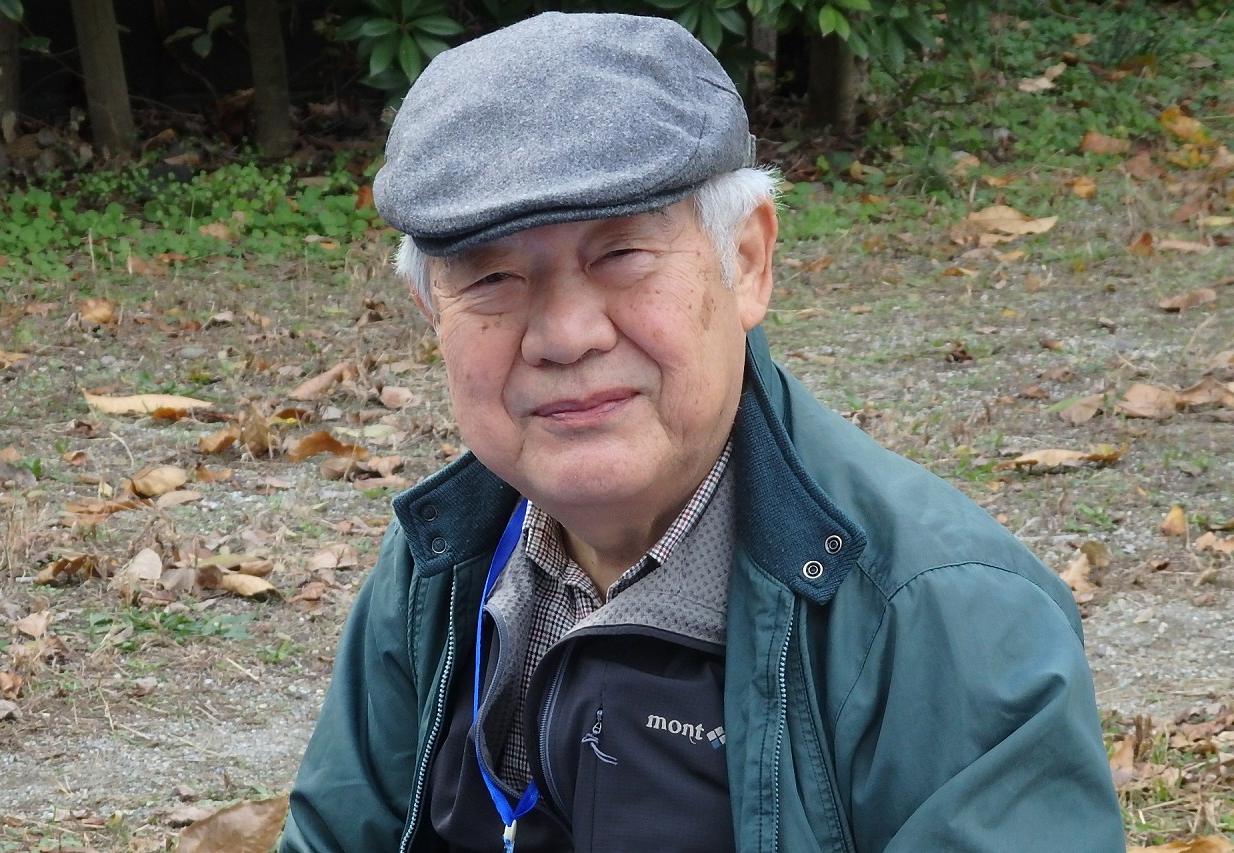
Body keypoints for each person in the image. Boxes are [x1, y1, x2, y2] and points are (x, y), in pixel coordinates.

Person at [280, 12, 1124, 853]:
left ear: (747, 262)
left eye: (621, 255)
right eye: (492, 277)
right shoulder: (439, 562)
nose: (565, 335)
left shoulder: (947, 619)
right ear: (433, 311)